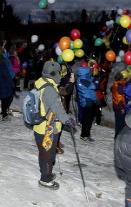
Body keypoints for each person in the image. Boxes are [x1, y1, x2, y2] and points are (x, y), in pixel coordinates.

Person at [33, 61, 77, 190]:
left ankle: (46, 174)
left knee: (44, 153)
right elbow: (56, 107)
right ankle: (45, 180)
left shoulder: (42, 82)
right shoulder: (49, 89)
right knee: (48, 156)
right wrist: (67, 120)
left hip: (40, 126)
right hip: (48, 129)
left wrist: (69, 83)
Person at [76, 62, 99, 141]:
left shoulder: (83, 78)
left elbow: (90, 79)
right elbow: (94, 86)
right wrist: (97, 81)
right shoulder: (82, 80)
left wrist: (94, 76)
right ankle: (84, 135)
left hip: (89, 100)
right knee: (87, 119)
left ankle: (86, 134)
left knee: (88, 119)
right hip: (86, 101)